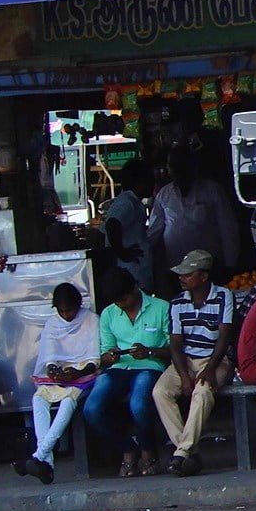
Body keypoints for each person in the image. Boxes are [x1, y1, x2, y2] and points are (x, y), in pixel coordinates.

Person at [153, 249, 236, 476]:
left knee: (202, 392)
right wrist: (183, 376)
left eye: (188, 274)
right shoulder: (178, 303)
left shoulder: (223, 296)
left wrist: (209, 369)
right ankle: (189, 451)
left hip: (214, 359)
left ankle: (181, 454)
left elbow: (224, 336)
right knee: (160, 392)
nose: (182, 278)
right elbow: (176, 345)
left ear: (203, 276)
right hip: (186, 360)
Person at [84, 267, 171, 477]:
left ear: (135, 289)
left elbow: (174, 349)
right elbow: (105, 353)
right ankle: (128, 447)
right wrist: (109, 356)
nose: (121, 305)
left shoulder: (161, 308)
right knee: (91, 408)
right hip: (119, 368)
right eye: (117, 302)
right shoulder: (109, 313)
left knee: (139, 404)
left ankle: (148, 450)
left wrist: (149, 351)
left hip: (151, 367)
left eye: (124, 299)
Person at [15, 282, 99, 484]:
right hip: (59, 374)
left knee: (68, 402)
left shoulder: (91, 320)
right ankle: (46, 463)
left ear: (78, 306)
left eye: (69, 310)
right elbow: (48, 355)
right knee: (39, 399)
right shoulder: (52, 323)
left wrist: (77, 372)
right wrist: (53, 370)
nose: (66, 315)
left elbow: (94, 358)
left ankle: (38, 456)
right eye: (61, 311)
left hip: (83, 374)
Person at [147, 145, 240, 294]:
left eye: (182, 165)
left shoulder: (212, 190)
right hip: (176, 268)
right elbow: (154, 232)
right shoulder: (164, 194)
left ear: (192, 167)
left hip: (209, 268)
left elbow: (228, 228)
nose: (178, 170)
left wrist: (230, 262)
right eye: (173, 166)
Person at [103, 159, 152, 292]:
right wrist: (122, 252)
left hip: (136, 272)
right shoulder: (127, 203)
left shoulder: (133, 202)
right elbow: (112, 224)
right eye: (150, 179)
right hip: (130, 274)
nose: (152, 184)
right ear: (139, 181)